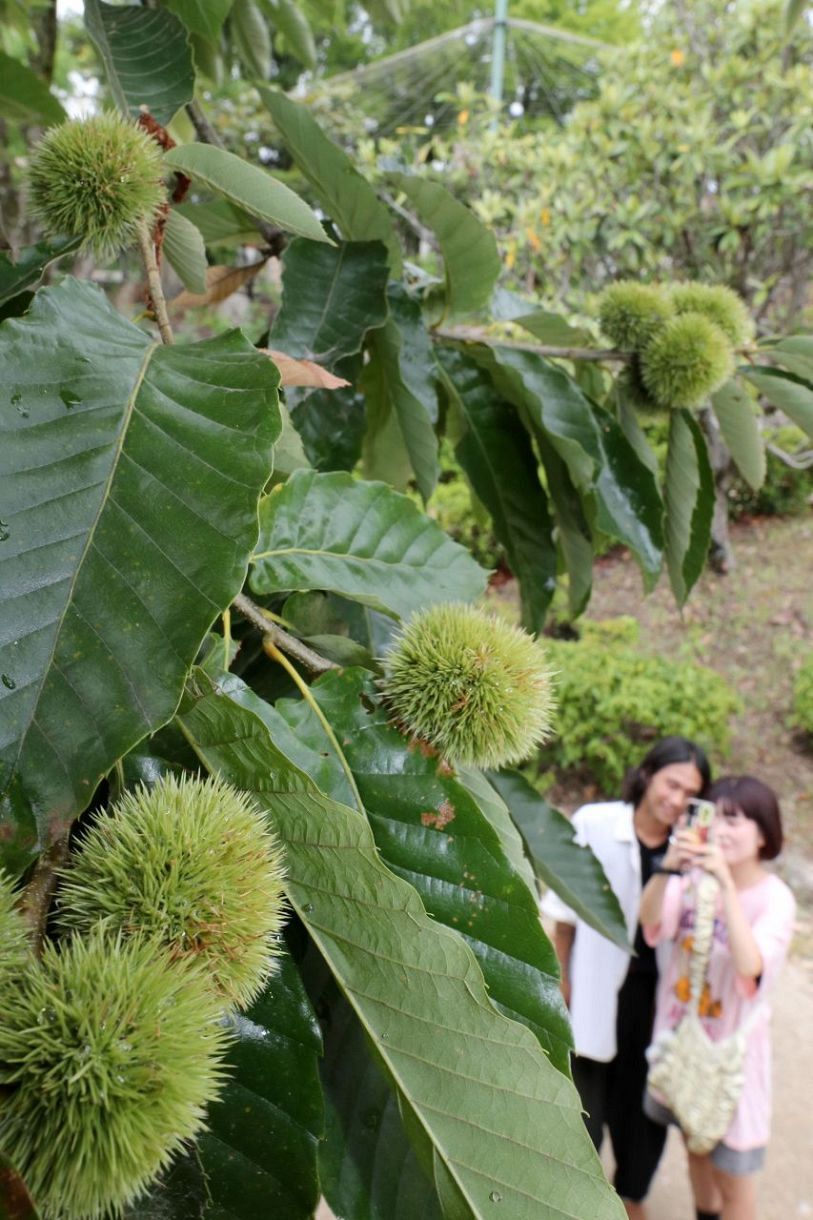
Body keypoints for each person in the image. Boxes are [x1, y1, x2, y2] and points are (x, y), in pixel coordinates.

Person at [542, 737, 711, 1219]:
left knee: (643, 1116)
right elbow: (564, 916)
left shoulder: (695, 850)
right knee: (584, 1103)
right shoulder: (596, 824)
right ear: (648, 775)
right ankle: (580, 1200)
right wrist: (561, 977)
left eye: (690, 793)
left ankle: (631, 1197)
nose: (676, 799)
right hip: (594, 984)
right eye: (671, 784)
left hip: (655, 998)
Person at [640, 776, 796, 1220]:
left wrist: (726, 886)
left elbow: (751, 966)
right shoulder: (690, 879)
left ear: (763, 833)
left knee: (734, 1179)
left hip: (731, 1061)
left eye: (734, 820)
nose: (721, 830)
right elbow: (651, 921)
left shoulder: (775, 899)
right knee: (695, 1149)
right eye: (715, 817)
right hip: (679, 1046)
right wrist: (669, 868)